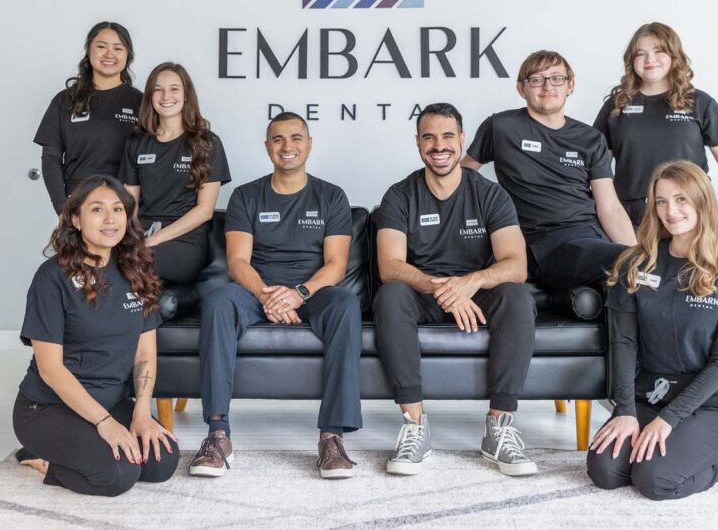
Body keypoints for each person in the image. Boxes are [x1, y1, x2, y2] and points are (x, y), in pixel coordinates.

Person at [189, 112, 362, 479]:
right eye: (279, 139)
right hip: (257, 290)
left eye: (296, 138)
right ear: (267, 147)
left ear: (309, 144)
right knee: (219, 301)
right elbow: (237, 262)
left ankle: (332, 437)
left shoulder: (331, 196)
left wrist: (298, 294)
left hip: (312, 292)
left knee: (346, 303)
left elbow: (336, 265)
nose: (288, 147)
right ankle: (218, 434)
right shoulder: (247, 196)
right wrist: (268, 296)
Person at [375, 103, 538, 477]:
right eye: (429, 137)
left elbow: (516, 263)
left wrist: (471, 282)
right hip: (423, 293)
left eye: (448, 136)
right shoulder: (400, 195)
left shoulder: (490, 194)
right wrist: (444, 290)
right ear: (417, 143)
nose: (439, 145)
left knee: (517, 295)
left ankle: (499, 427)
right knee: (391, 295)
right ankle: (415, 425)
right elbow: (390, 266)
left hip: (475, 295)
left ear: (462, 140)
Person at [586, 161, 718, 500]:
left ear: (702, 201)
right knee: (606, 471)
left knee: (656, 480)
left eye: (681, 199)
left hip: (709, 405)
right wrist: (624, 411)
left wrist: (668, 420)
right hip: (647, 397)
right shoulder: (637, 264)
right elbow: (623, 342)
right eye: (662, 201)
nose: (671, 210)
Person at [12, 175, 180, 497]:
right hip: (47, 408)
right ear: (76, 218)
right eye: (97, 209)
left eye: (117, 209)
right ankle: (42, 457)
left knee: (162, 461)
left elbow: (145, 353)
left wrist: (142, 413)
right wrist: (105, 423)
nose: (110, 219)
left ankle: (88, 446)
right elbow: (51, 369)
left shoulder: (135, 270)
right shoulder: (52, 278)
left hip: (111, 400)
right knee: (118, 475)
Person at [463, 50, 636, 296]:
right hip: (547, 245)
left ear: (570, 85)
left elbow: (610, 208)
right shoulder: (501, 127)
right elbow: (462, 173)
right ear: (521, 88)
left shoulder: (590, 138)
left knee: (646, 267)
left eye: (557, 78)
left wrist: (639, 256)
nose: (547, 86)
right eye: (536, 79)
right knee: (626, 263)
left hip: (594, 238)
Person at [593, 22, 718, 233]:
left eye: (659, 51)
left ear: (674, 55)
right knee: (636, 267)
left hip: (690, 213)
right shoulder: (616, 106)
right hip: (633, 218)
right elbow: (598, 166)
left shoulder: (699, 102)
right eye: (640, 53)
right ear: (631, 61)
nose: (649, 59)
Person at [121, 62, 230, 294]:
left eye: (174, 89)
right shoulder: (136, 142)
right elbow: (128, 205)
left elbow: (205, 211)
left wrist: (152, 241)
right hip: (142, 235)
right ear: (150, 96)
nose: (165, 96)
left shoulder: (207, 143)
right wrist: (127, 238)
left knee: (130, 262)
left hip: (184, 241)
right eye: (158, 89)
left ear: (186, 95)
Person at [35, 21, 142, 214]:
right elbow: (51, 158)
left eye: (118, 48)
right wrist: (62, 208)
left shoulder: (140, 102)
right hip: (77, 201)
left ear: (128, 55)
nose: (109, 54)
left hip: (123, 203)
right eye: (101, 46)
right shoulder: (65, 100)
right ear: (88, 50)